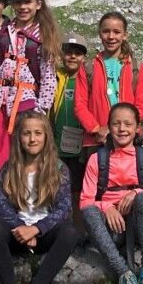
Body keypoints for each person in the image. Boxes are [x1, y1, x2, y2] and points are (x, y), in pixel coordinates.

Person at [0, 111, 79, 284]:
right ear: (19, 136)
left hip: (44, 233)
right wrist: (22, 228)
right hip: (17, 232)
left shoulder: (59, 168)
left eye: (38, 133)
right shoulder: (9, 168)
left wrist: (36, 230)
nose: (32, 139)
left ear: (46, 136)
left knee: (71, 232)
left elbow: (64, 208)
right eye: (27, 133)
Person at [80, 103, 143, 284]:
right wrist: (106, 207)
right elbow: (85, 200)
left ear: (137, 128)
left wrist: (138, 192)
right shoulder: (97, 159)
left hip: (140, 229)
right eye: (116, 124)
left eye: (128, 124)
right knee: (89, 211)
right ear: (109, 127)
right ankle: (123, 272)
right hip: (111, 230)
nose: (122, 129)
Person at [0, 0, 59, 167]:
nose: (22, 7)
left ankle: (23, 193)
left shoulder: (44, 35)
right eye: (18, 2)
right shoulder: (2, 32)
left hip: (27, 102)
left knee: (26, 153)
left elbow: (48, 75)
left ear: (38, 4)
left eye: (28, 2)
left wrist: (42, 108)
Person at [75, 12, 143, 158]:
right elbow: (80, 105)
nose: (111, 36)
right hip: (97, 141)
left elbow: (141, 107)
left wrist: (118, 128)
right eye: (106, 31)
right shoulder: (88, 67)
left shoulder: (136, 67)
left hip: (128, 140)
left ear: (125, 35)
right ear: (99, 34)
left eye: (116, 32)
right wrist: (96, 129)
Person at [51, 32, 89, 227]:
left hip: (80, 146)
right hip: (57, 145)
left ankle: (79, 231)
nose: (73, 56)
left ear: (84, 58)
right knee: (57, 188)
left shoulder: (88, 81)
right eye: (68, 52)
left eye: (78, 53)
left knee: (77, 189)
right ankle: (58, 229)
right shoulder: (55, 77)